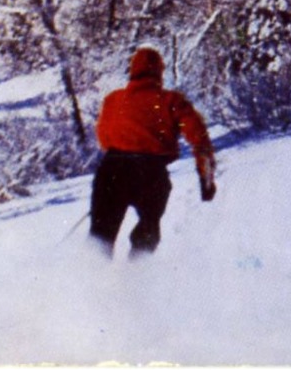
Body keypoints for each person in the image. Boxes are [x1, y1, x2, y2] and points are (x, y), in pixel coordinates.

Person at [89, 45, 216, 257]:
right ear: (159, 72)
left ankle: (91, 279)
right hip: (150, 173)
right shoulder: (172, 101)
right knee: (148, 227)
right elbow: (199, 139)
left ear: (132, 71)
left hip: (111, 169)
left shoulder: (113, 100)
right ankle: (138, 278)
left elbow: (104, 138)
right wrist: (206, 179)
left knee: (100, 236)